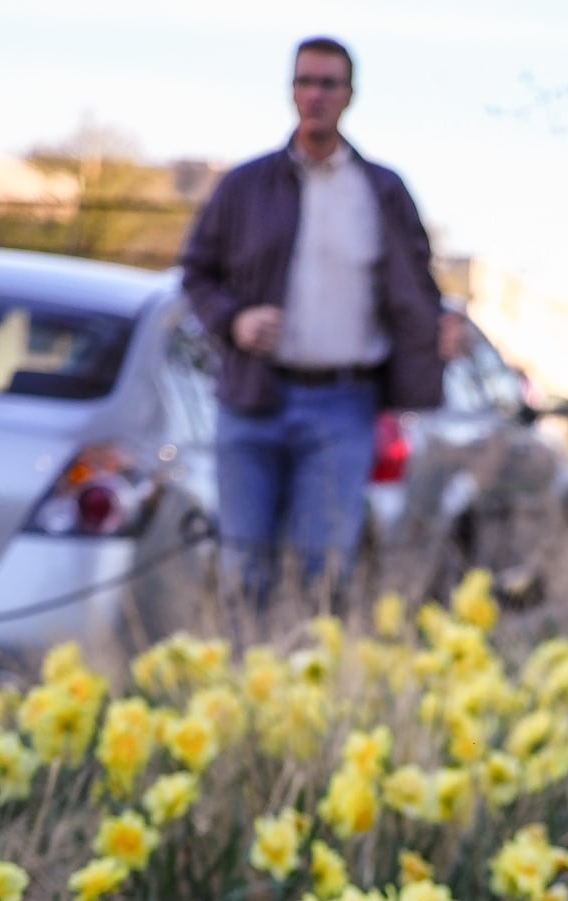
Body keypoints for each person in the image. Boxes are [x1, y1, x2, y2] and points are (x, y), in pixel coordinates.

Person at [181, 35, 452, 623]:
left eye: (328, 83)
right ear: (291, 91)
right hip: (253, 397)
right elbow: (195, 273)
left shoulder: (380, 191)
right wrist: (235, 320)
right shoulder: (245, 186)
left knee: (323, 574)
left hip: (342, 403)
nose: (315, 95)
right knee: (243, 571)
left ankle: (305, 701)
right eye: (305, 81)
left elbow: (417, 289)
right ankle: (238, 695)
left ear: (349, 95)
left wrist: (440, 335)